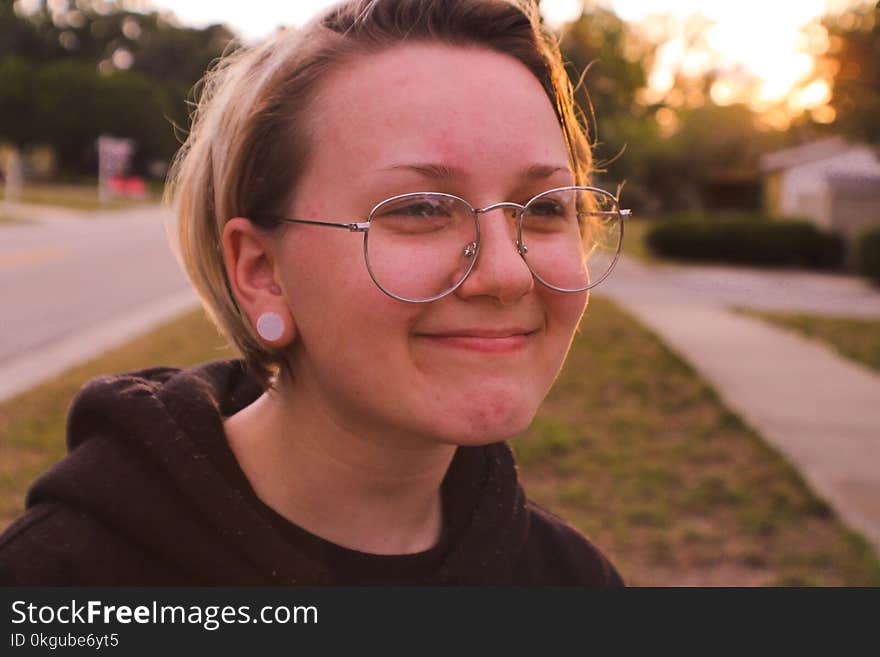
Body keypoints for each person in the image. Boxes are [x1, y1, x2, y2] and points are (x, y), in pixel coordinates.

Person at [0, 0, 626, 585]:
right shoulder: (56, 582)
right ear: (262, 271)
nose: (507, 275)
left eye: (546, 209)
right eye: (420, 208)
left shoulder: (572, 581)